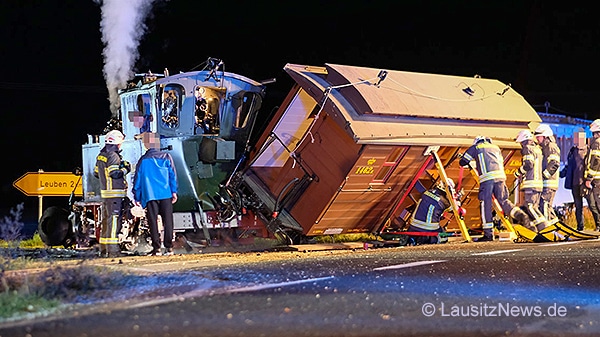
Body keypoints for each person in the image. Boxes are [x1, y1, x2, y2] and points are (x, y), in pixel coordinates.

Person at [459, 136, 533, 241]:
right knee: (504, 201)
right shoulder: (496, 147)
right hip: (501, 178)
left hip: (487, 180)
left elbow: (463, 161)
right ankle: (520, 215)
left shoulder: (476, 147)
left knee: (486, 204)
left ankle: (488, 234)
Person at [133, 132, 178, 256]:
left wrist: (137, 196)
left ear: (146, 145)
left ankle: (156, 248)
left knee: (153, 222)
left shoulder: (143, 160)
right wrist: (174, 191)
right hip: (166, 193)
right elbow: (172, 176)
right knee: (168, 221)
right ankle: (169, 248)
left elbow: (137, 180)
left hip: (150, 195)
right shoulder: (167, 156)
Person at [94, 129, 131, 257]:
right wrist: (126, 168)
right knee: (114, 221)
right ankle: (113, 250)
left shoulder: (101, 154)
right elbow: (114, 173)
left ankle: (103, 249)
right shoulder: (113, 156)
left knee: (106, 221)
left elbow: (96, 173)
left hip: (105, 194)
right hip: (114, 194)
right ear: (117, 142)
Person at [561, 130, 600, 231]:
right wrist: (561, 174)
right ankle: (580, 227)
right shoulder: (572, 151)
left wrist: (589, 179)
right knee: (578, 207)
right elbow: (569, 165)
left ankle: (598, 225)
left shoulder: (589, 150)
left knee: (592, 205)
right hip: (575, 183)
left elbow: (593, 163)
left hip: (585, 183)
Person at [515, 129, 547, 231]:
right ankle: (537, 227)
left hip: (531, 183)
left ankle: (542, 226)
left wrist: (518, 172)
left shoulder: (527, 148)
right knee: (535, 207)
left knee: (530, 206)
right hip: (538, 183)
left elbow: (528, 164)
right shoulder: (537, 149)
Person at [407, 179, 453, 244]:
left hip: (413, 225)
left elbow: (419, 187)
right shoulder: (445, 202)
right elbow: (454, 210)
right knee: (443, 236)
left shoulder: (427, 192)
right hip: (430, 229)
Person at [534, 124, 561, 225]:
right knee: (547, 206)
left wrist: (544, 175)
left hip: (549, 183)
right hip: (546, 183)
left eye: (538, 137)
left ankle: (547, 228)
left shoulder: (551, 147)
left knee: (545, 204)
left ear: (545, 136)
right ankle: (555, 225)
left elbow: (555, 163)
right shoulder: (544, 147)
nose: (537, 139)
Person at [585, 119, 600, 231]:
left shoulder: (597, 143)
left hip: (597, 179)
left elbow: (595, 161)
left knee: (598, 203)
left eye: (594, 133)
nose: (593, 135)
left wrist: (589, 178)